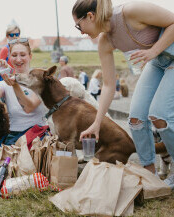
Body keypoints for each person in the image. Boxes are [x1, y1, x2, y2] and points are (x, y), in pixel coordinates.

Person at [72, 0, 174, 187]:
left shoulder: (132, 11)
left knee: (160, 115)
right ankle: (149, 174)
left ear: (90, 16)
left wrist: (153, 51)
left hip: (165, 56)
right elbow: (109, 85)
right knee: (135, 119)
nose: (81, 32)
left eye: (79, 25)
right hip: (157, 62)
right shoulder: (105, 41)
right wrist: (96, 123)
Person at [0, 38, 47, 146]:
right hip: (15, 136)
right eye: (14, 55)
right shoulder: (4, 84)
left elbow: (28, 107)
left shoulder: (40, 80)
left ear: (30, 57)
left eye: (22, 55)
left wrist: (15, 85)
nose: (18, 59)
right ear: (9, 58)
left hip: (38, 135)